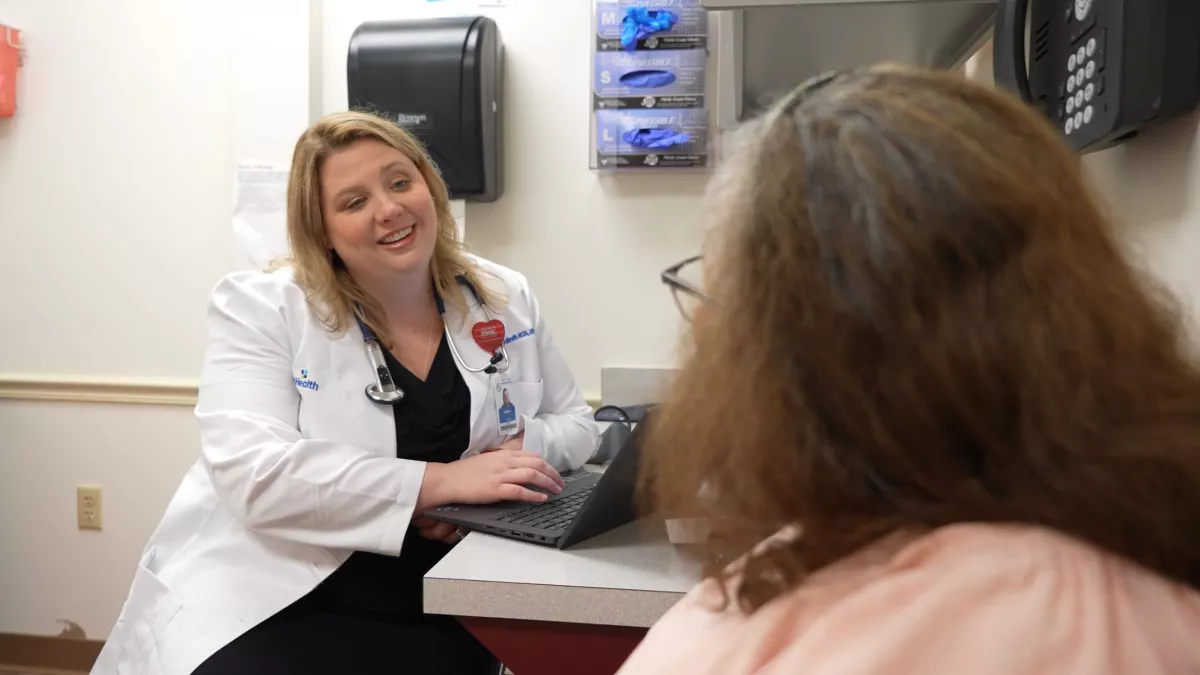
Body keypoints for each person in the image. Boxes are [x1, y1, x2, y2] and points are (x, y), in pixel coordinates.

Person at [620, 65, 1200, 674]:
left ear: (808, 352)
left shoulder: (959, 624)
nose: (701, 335)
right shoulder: (1141, 571)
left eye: (717, 300)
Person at [92, 111, 599, 675]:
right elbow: (254, 476)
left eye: (400, 182)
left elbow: (577, 424)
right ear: (322, 232)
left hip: (456, 590)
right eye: (354, 202)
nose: (389, 209)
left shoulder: (500, 293)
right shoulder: (263, 308)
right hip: (287, 594)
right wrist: (437, 485)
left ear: (430, 188)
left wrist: (509, 467)